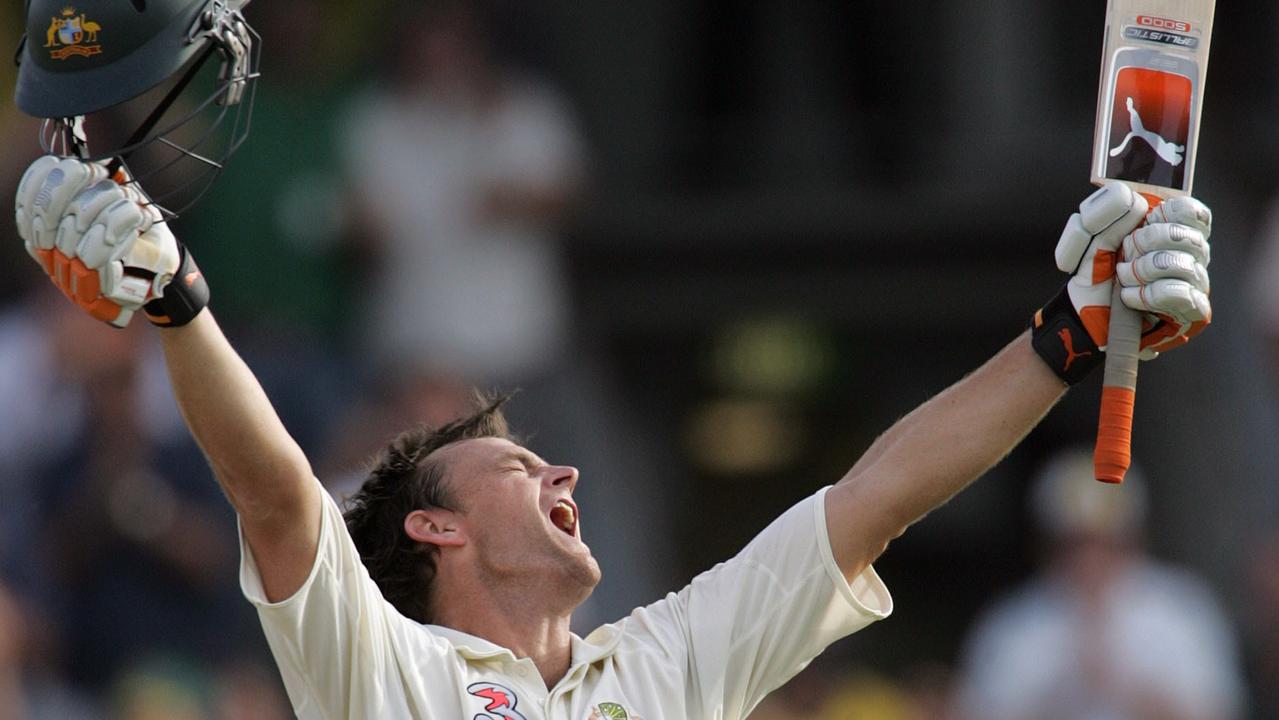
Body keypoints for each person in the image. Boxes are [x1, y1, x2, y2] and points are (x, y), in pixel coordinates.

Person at [11, 1, 1215, 718]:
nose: (564, 476)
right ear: (433, 529)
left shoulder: (667, 659)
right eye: (520, 464)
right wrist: (177, 303)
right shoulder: (384, 673)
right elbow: (276, 495)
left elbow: (880, 495)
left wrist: (1068, 336)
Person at [953, 449, 1245, 720]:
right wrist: (1062, 689)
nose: (1090, 559)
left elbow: (1219, 709)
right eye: (1074, 544)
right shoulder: (1014, 622)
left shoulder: (1180, 608)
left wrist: (1125, 685)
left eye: (1106, 543)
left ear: (1134, 539)